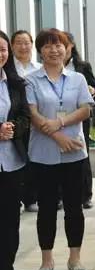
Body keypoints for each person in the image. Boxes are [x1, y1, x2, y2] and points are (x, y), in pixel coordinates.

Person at [25, 28, 94, 270]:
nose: (54, 50)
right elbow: (33, 115)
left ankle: (75, 258)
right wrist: (58, 136)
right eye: (48, 46)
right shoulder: (31, 80)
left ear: (67, 49)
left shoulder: (77, 79)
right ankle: (47, 260)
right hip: (43, 155)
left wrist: (60, 123)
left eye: (59, 45)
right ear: (40, 51)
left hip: (74, 153)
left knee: (74, 208)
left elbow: (86, 109)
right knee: (46, 209)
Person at [0, 30, 30, 270]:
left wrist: (13, 128)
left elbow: (25, 116)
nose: (0, 54)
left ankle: (7, 269)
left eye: (2, 50)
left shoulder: (15, 83)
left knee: (10, 219)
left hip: (11, 162)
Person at [64, 33, 95, 209]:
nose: (59, 49)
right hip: (57, 116)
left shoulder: (82, 67)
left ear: (71, 46)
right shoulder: (49, 67)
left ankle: (85, 195)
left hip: (80, 115)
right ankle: (61, 195)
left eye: (64, 44)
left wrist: (91, 89)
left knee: (82, 153)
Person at [11, 30, 40, 213]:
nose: (23, 47)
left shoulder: (39, 68)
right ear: (12, 46)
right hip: (17, 120)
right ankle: (18, 198)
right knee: (17, 159)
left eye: (26, 42)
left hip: (36, 121)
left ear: (32, 45)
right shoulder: (8, 69)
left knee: (33, 160)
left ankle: (31, 198)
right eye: (19, 43)